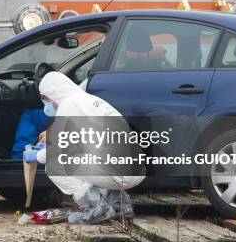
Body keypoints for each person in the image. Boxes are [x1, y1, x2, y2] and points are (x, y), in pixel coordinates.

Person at [24, 72, 145, 224]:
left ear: (54, 93)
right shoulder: (88, 100)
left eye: (47, 100)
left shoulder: (69, 105)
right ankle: (121, 206)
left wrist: (36, 155)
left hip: (116, 172)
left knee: (54, 166)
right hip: (135, 170)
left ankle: (97, 209)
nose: (48, 105)